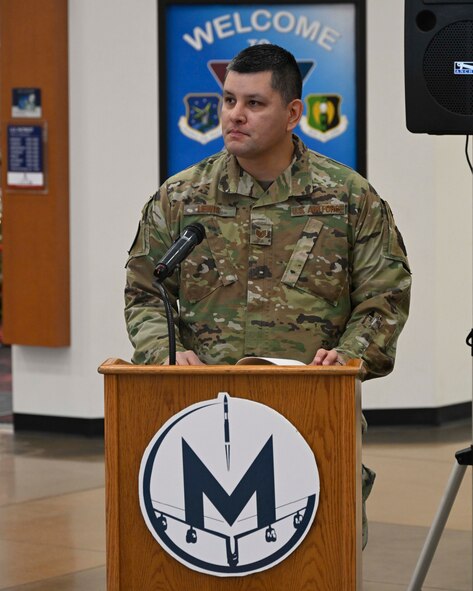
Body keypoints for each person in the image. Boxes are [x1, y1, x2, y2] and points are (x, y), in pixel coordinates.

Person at [125, 44, 411, 547]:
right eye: (229, 100)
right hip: (202, 415)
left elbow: (384, 297)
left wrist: (348, 357)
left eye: (254, 103)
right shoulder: (181, 198)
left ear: (293, 113)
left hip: (313, 413)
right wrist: (163, 354)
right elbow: (144, 291)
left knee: (320, 555)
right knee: (212, 554)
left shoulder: (347, 197)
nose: (235, 115)